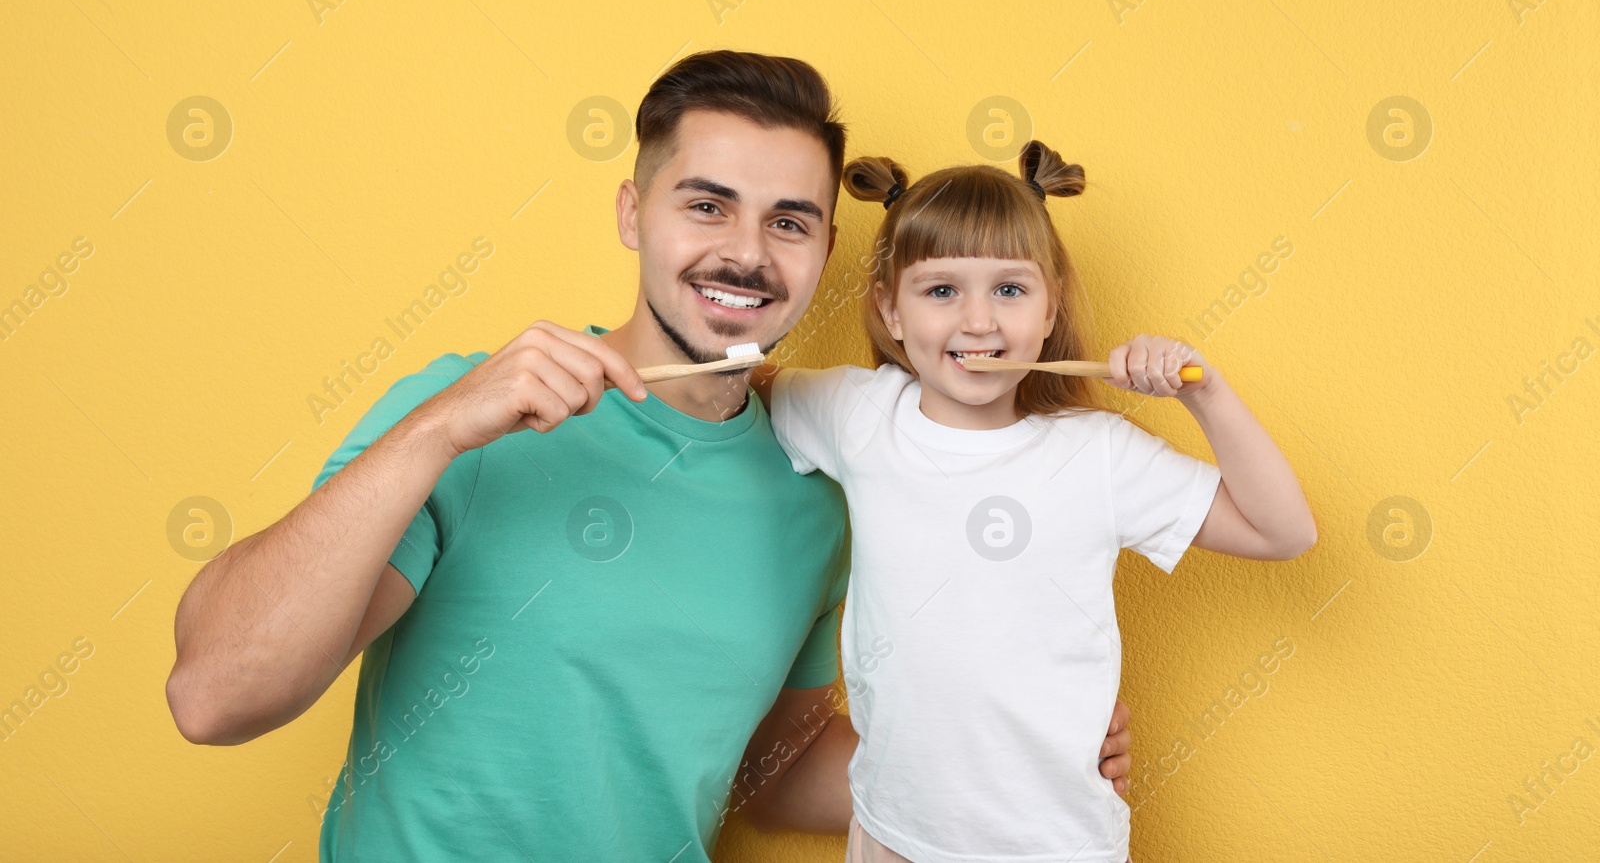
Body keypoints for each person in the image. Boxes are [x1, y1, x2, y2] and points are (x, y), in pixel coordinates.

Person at [164, 50, 1135, 862]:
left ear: (825, 244)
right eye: (705, 205)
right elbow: (216, 696)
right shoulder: (466, 413)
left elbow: (766, 767)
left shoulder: (815, 489)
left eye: (787, 220)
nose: (747, 251)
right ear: (633, 211)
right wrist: (437, 429)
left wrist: (1017, 752)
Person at [754, 143, 1317, 863]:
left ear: (1051, 306)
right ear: (890, 310)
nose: (980, 322)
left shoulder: (1099, 454)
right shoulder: (853, 412)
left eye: (1010, 290)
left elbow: (1284, 530)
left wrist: (1204, 392)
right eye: (941, 291)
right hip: (890, 835)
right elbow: (733, 391)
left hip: (1056, 845)